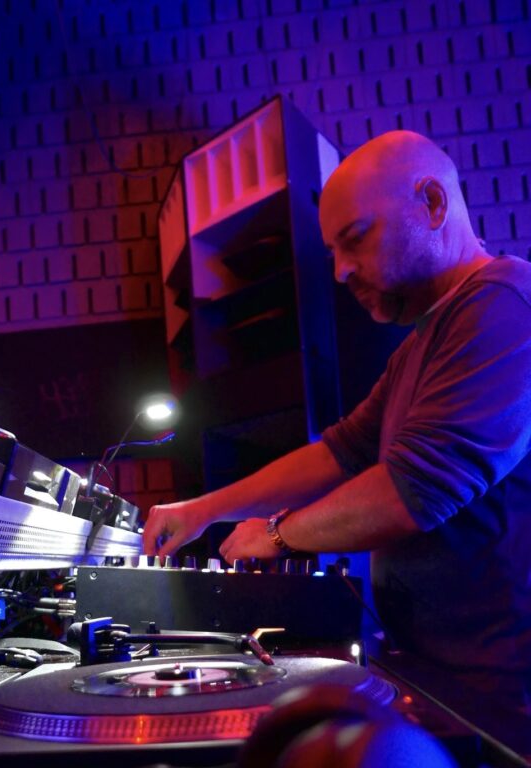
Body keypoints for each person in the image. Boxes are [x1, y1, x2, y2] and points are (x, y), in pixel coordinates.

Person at [143, 130, 531, 711]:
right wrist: (203, 510)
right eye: (333, 253)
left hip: (506, 688)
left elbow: (414, 491)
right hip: (442, 666)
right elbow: (340, 452)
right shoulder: (418, 345)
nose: (342, 271)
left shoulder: (505, 305)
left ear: (432, 203)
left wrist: (277, 534)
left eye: (355, 239)